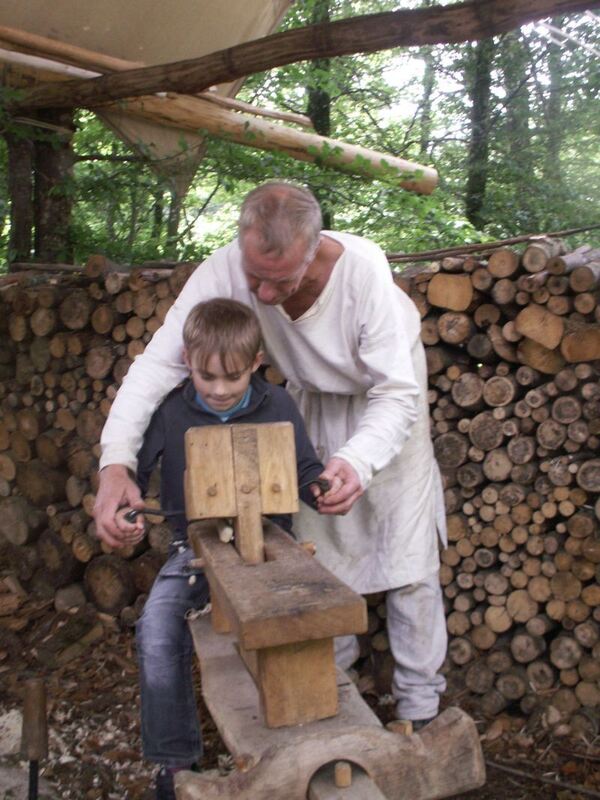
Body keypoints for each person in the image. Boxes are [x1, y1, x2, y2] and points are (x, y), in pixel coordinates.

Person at [95, 181, 448, 738]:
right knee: (318, 561)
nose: (259, 293)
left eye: (278, 281)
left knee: (407, 565)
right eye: (252, 275)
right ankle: (331, 696)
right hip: (305, 408)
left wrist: (357, 461)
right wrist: (116, 461)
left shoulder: (364, 275)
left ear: (313, 249)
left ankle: (420, 708)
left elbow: (397, 393)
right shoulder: (227, 268)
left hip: (387, 412)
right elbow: (160, 364)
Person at [130, 298, 325, 800]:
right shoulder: (172, 409)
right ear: (187, 361)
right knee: (155, 630)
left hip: (271, 548)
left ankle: (299, 755)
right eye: (206, 377)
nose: (218, 390)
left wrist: (324, 490)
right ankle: (175, 766)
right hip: (191, 550)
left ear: (257, 362)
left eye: (232, 378)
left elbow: (305, 473)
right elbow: (132, 471)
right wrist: (125, 505)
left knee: (307, 621)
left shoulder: (278, 405)